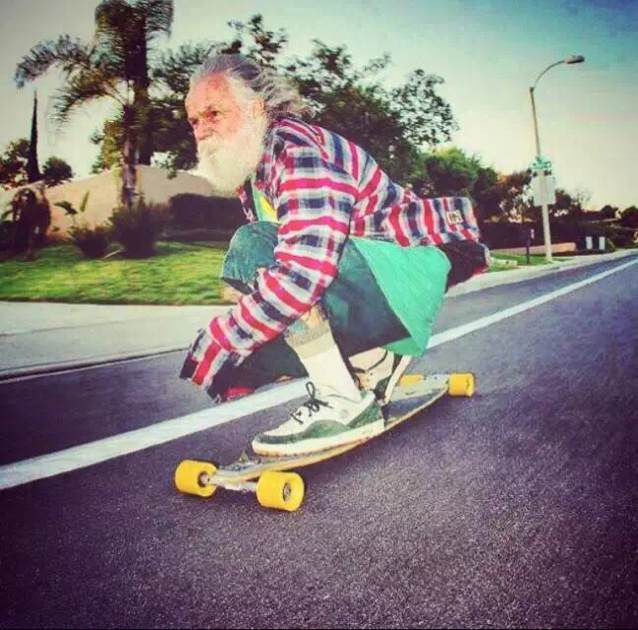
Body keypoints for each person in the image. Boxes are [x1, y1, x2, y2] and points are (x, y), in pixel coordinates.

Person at [180, 53, 490, 457]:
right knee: (256, 307)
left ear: (255, 108)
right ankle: (376, 362)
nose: (202, 130)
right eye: (194, 121)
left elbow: (303, 273)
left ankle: (343, 402)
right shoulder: (253, 175)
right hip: (389, 276)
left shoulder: (293, 150)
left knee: (252, 249)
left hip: (413, 267)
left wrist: (221, 339)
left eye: (214, 114)